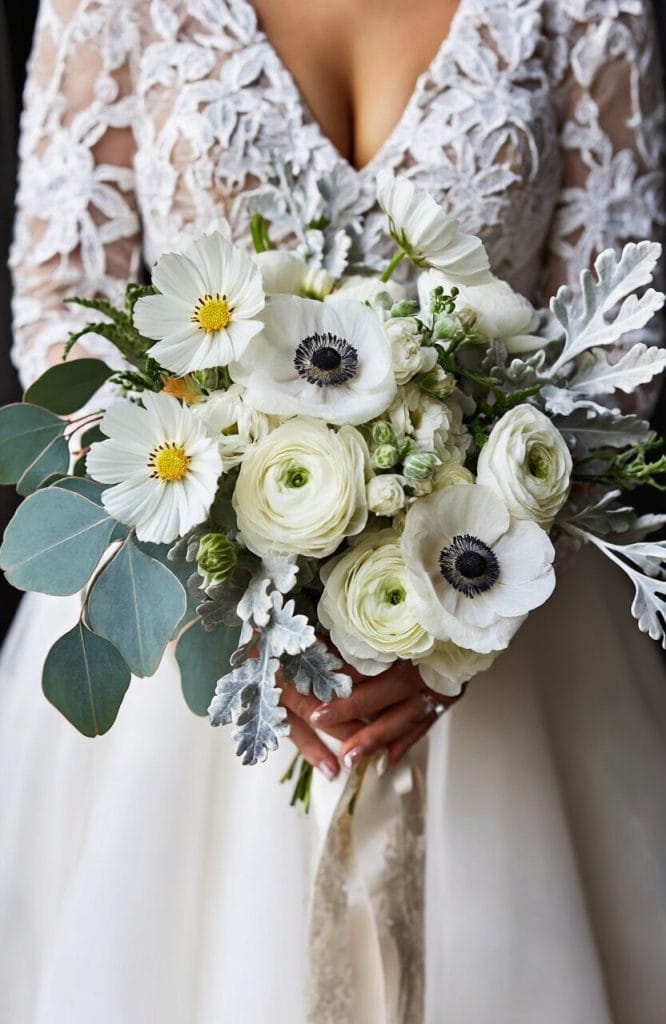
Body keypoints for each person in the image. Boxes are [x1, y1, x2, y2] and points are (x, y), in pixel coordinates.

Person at [1, 1, 665, 1021]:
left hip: (512, 623)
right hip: (190, 623)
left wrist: (449, 628)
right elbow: (63, 313)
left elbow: (617, 350)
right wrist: (232, 589)